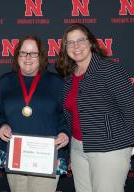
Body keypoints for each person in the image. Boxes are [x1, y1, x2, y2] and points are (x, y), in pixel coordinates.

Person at [56, 23, 134, 192]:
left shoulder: (109, 70)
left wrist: (129, 145)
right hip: (78, 148)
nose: (76, 46)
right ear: (65, 48)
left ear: (91, 42)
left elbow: (131, 108)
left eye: (80, 40)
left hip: (110, 148)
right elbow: (71, 115)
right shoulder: (69, 78)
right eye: (70, 42)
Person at [0, 35, 70, 192]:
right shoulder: (5, 81)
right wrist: (2, 125)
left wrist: (64, 132)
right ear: (17, 56)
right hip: (14, 153)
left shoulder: (56, 82)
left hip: (47, 154)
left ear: (41, 56)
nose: (28, 57)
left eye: (33, 53)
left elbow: (66, 115)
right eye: (23, 53)